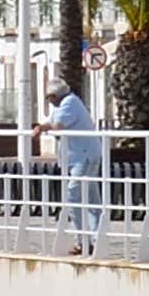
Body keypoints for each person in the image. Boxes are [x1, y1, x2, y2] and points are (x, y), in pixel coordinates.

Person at [49, 82, 104, 250]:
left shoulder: (70, 103)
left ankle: (83, 240)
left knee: (73, 195)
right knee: (91, 197)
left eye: (49, 97)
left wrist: (42, 128)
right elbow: (54, 123)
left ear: (54, 96)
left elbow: (58, 126)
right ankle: (97, 237)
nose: (49, 101)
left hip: (84, 156)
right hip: (80, 156)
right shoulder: (64, 106)